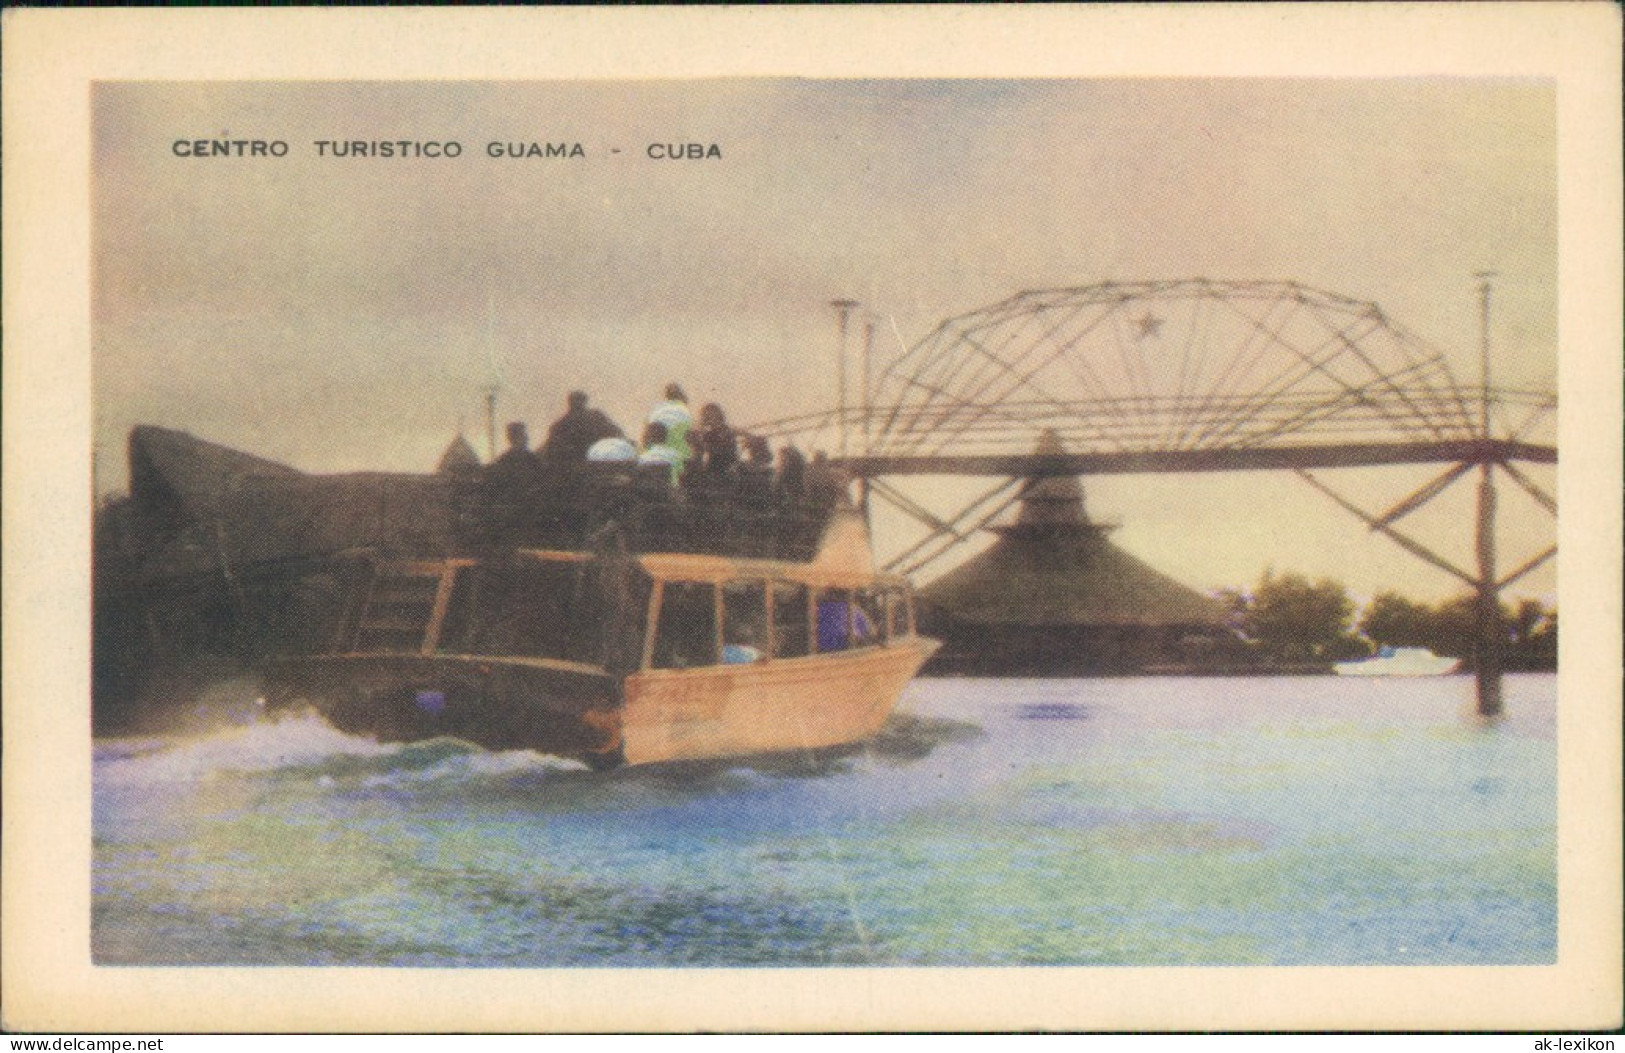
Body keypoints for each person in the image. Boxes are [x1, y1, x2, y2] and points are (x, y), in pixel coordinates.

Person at [539, 391, 624, 466]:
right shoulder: (561, 425)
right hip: (585, 468)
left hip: (592, 467)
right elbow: (617, 433)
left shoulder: (560, 425)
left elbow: (616, 434)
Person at [647, 383, 694, 470]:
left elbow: (646, 438)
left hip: (652, 460)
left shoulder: (656, 411)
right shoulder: (684, 411)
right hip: (678, 461)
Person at [692, 403, 739, 476]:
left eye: (708, 415)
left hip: (724, 470)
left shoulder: (725, 431)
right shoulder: (708, 434)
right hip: (712, 469)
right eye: (704, 416)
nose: (706, 418)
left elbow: (722, 451)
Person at [637, 421, 684, 486]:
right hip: (671, 492)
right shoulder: (676, 455)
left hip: (650, 493)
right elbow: (681, 476)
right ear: (666, 436)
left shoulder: (642, 458)